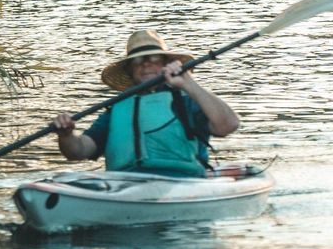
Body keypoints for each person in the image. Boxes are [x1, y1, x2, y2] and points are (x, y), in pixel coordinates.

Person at [51, 28, 239, 177]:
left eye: (154, 58)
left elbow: (228, 125)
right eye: (138, 60)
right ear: (130, 71)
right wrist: (66, 135)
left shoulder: (186, 102)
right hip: (126, 184)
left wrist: (188, 83)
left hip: (182, 181)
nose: (146, 64)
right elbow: (79, 151)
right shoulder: (116, 110)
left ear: (166, 64)